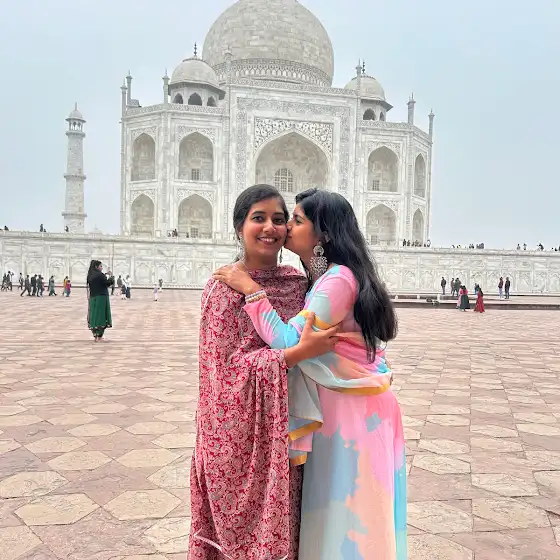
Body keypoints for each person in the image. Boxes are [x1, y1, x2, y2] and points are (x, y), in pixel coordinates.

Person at [214, 188, 406, 559]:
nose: (285, 228)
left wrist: (251, 290)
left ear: (323, 235)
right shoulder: (327, 278)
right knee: (345, 515)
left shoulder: (337, 280)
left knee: (351, 520)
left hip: (353, 412)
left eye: (296, 220)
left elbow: (289, 340)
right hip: (349, 404)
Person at [188, 185, 337, 560]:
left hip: (287, 436)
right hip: (234, 443)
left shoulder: (297, 283)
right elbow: (224, 375)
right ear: (239, 227)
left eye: (279, 219)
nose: (270, 227)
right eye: (259, 218)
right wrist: (294, 355)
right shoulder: (222, 289)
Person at [86, 260, 114, 342]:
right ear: (96, 266)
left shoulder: (90, 275)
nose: (102, 268)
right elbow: (108, 283)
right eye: (101, 266)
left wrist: (105, 275)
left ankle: (96, 336)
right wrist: (111, 276)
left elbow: (98, 281)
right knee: (101, 316)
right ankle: (100, 336)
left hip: (93, 298)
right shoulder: (100, 275)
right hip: (101, 297)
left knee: (94, 316)